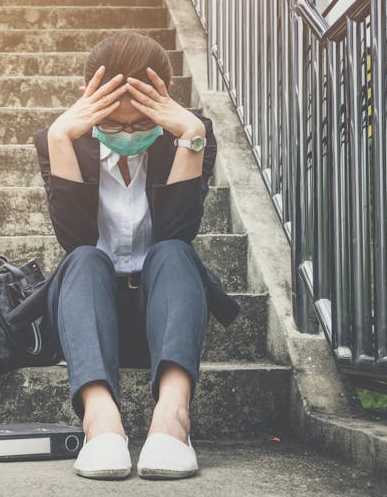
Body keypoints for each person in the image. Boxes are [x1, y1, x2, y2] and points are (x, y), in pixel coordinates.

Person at [31, 31, 240, 480]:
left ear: (161, 107)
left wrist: (192, 136)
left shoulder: (188, 136)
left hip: (162, 316)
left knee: (173, 252)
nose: (127, 135)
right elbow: (75, 238)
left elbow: (177, 233)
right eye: (113, 125)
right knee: (85, 259)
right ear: (92, 107)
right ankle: (100, 423)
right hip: (89, 314)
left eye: (141, 124)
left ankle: (173, 420)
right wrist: (62, 138)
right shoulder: (64, 140)